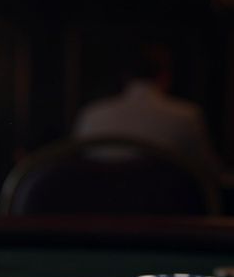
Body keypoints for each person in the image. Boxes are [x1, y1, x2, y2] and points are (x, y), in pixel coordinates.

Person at [73, 44, 220, 181]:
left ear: (125, 76)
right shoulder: (186, 116)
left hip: (99, 205)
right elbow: (209, 174)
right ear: (166, 74)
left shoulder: (91, 114)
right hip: (164, 205)